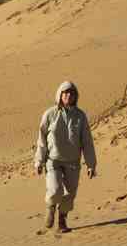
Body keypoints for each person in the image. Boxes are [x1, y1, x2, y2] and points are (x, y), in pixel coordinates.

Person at [34, 81, 97, 233]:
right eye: (65, 92)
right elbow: (41, 139)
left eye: (71, 93)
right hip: (53, 161)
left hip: (73, 163)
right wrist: (39, 161)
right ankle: (50, 208)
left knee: (69, 195)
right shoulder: (50, 114)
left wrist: (91, 164)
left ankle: (62, 220)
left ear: (76, 96)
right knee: (55, 190)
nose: (68, 95)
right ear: (60, 95)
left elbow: (87, 142)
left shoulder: (80, 116)